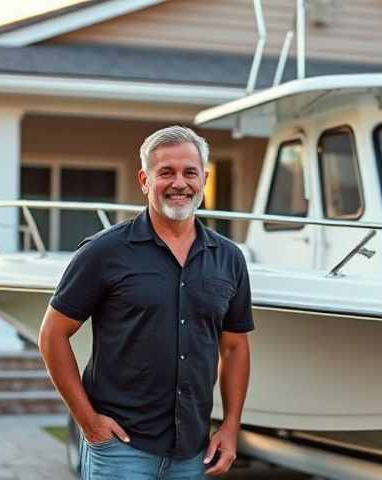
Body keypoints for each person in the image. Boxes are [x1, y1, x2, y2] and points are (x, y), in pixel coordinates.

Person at [38, 125, 253, 479]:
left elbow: (234, 348)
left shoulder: (229, 258)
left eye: (190, 173)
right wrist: (89, 423)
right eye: (165, 172)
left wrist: (230, 428)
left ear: (204, 179)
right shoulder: (105, 252)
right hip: (121, 451)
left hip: (191, 454)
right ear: (144, 179)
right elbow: (52, 335)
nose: (179, 183)